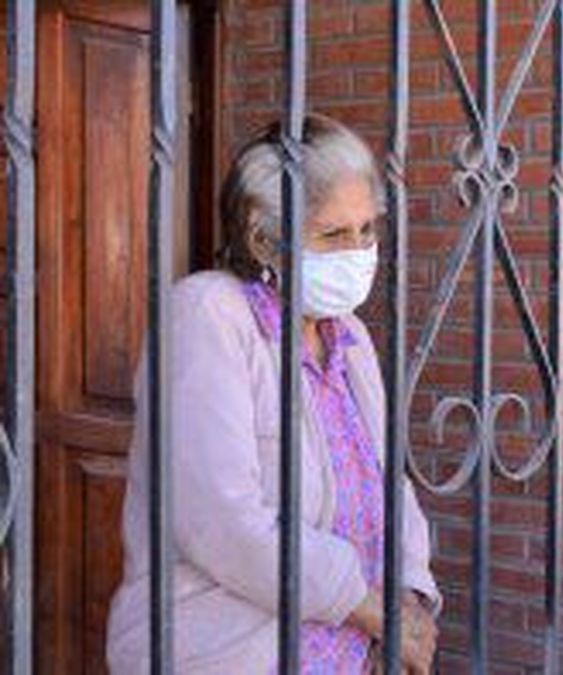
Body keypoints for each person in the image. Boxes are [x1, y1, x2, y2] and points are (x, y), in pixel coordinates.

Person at [107, 114, 440, 673]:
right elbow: (221, 519)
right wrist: (367, 608)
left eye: (367, 230)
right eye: (333, 235)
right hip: (231, 652)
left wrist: (409, 595)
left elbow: (388, 482)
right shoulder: (208, 315)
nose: (359, 251)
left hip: (355, 650)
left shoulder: (348, 336)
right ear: (264, 240)